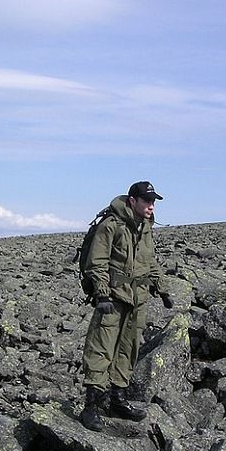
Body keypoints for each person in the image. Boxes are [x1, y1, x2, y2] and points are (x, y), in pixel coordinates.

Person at [79, 180, 174, 431]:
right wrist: (102, 296)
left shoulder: (145, 227)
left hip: (138, 298)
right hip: (113, 298)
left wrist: (161, 289)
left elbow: (149, 261)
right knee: (101, 348)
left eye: (153, 201)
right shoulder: (111, 226)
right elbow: (96, 263)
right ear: (133, 201)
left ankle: (117, 399)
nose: (151, 206)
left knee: (129, 348)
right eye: (147, 201)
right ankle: (91, 406)